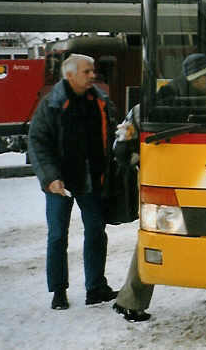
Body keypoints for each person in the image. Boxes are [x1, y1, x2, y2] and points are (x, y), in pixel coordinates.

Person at [27, 53, 119, 310]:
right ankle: (59, 291)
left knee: (96, 232)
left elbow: (112, 133)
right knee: (58, 236)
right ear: (69, 75)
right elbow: (37, 142)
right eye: (86, 71)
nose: (93, 75)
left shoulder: (100, 101)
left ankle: (95, 288)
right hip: (60, 183)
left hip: (91, 180)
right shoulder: (51, 104)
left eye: (93, 71)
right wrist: (50, 178)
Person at [111, 105, 153, 322]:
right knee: (154, 238)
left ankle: (131, 300)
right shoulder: (145, 108)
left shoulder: (140, 109)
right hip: (160, 177)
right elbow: (122, 150)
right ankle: (130, 300)